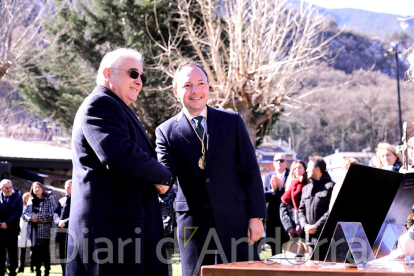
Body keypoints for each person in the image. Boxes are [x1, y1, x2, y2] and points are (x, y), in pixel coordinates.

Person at [156, 61, 267, 276]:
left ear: (208, 86)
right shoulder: (165, 131)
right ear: (176, 90)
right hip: (193, 224)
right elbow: (165, 175)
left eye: (201, 83)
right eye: (187, 85)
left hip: (237, 219)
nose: (195, 90)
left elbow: (250, 171)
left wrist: (257, 217)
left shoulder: (231, 121)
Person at [68, 48, 172, 276]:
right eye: (133, 73)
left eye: (142, 77)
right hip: (112, 238)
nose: (139, 81)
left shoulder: (117, 108)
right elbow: (119, 155)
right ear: (107, 74)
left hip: (127, 235)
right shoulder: (100, 104)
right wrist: (163, 176)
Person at [298, 156, 335, 247]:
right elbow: (301, 210)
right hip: (309, 240)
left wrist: (316, 226)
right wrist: (305, 225)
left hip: (325, 239)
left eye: (309, 167)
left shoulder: (331, 187)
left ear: (317, 169)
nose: (306, 170)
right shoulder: (306, 188)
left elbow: (331, 211)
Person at [23, 182, 54, 276]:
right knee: (35, 253)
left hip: (44, 230)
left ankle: (47, 271)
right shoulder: (30, 200)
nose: (37, 189)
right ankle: (37, 271)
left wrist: (38, 217)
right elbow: (24, 215)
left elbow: (52, 214)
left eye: (39, 187)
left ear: (42, 188)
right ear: (32, 190)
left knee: (45, 253)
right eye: (35, 188)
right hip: (33, 230)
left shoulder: (49, 199)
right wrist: (31, 217)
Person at [263, 153, 290, 255]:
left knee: (289, 245)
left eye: (282, 160)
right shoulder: (268, 176)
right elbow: (264, 196)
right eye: (277, 160)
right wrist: (273, 191)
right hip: (273, 216)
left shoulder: (290, 175)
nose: (279, 162)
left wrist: (281, 187)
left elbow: (290, 195)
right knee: (275, 246)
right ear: (273, 163)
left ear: (285, 163)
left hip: (287, 215)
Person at [280, 160, 308, 239]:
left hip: (306, 228)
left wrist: (301, 224)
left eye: (299, 168)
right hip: (292, 229)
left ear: (304, 169)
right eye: (295, 169)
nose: (297, 170)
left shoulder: (309, 184)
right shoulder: (289, 186)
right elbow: (283, 208)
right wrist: (289, 226)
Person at [0, 179, 23, 276]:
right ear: (1, 189)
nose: (9, 190)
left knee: (13, 254)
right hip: (0, 231)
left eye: (10, 187)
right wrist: (1, 223)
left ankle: (13, 272)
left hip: (12, 231)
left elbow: (18, 212)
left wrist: (7, 223)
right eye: (6, 188)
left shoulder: (17, 197)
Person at [53, 180, 72, 276]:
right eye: (65, 187)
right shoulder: (61, 200)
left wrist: (65, 222)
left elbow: (76, 215)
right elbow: (56, 214)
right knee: (62, 256)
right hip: (61, 233)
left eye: (68, 187)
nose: (66, 189)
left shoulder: (76, 200)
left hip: (72, 233)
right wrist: (58, 221)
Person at [17, 192, 32, 273]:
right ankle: (20, 268)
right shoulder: (21, 206)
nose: (27, 199)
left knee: (32, 248)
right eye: (25, 197)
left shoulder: (32, 207)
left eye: (28, 197)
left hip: (30, 228)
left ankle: (32, 267)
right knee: (22, 249)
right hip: (22, 228)